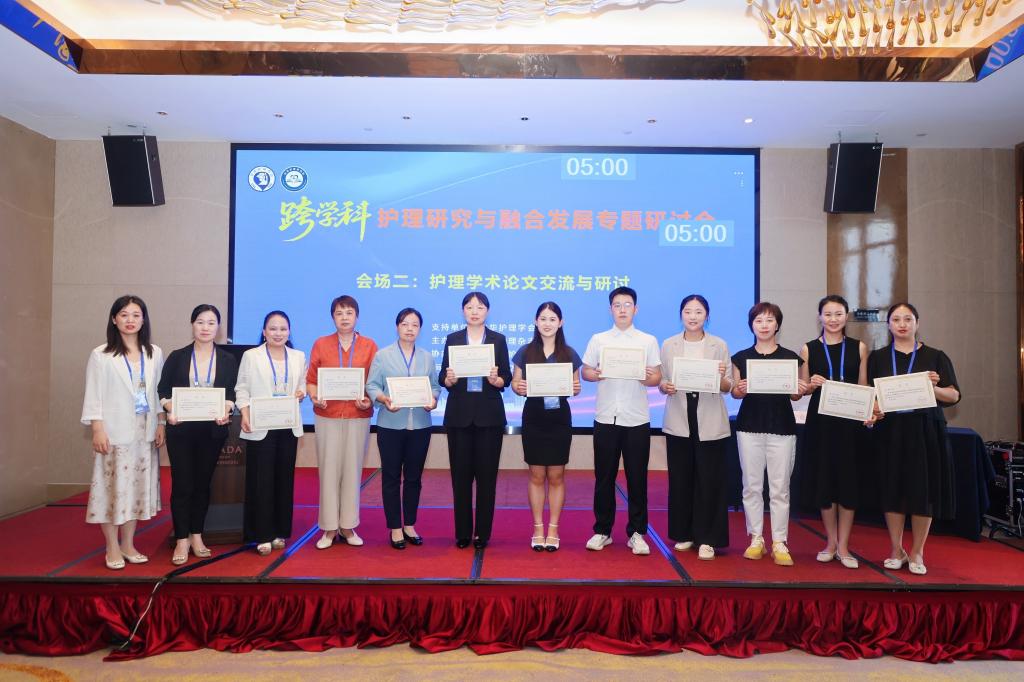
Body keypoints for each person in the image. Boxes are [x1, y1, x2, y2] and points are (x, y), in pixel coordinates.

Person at [867, 302, 960, 576]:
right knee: (892, 490)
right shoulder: (878, 357)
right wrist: (873, 409)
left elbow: (954, 395)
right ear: (888, 325)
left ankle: (918, 551)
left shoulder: (936, 356)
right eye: (896, 319)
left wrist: (933, 388)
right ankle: (896, 549)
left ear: (917, 323)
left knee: (923, 491)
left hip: (925, 431)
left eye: (908, 319)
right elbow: (870, 395)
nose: (902, 324)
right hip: (890, 431)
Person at [81, 295, 165, 570]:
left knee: (135, 490)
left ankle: (128, 544)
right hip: (114, 432)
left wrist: (161, 422)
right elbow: (93, 394)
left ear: (144, 320)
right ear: (114, 319)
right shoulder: (101, 354)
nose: (130, 320)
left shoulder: (154, 352)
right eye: (124, 315)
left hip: (144, 431)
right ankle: (112, 546)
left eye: (136, 315)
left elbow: (158, 392)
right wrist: (97, 428)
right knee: (113, 490)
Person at [581, 286, 662, 556]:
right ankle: (602, 531)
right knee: (604, 477)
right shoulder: (599, 339)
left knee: (637, 478)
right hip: (606, 416)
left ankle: (637, 533)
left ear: (635, 309)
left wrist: (647, 377)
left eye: (627, 305)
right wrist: (596, 374)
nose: (622, 309)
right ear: (610, 309)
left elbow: (656, 377)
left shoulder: (647, 340)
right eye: (617, 305)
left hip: (636, 418)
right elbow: (585, 371)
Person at [157, 304, 239, 565]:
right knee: (182, 485)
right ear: (192, 325)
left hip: (212, 431)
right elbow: (162, 391)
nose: (205, 327)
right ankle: (181, 539)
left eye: (211, 323)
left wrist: (227, 408)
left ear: (218, 327)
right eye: (200, 322)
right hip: (181, 430)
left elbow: (232, 392)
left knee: (203, 485)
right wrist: (170, 409)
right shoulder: (177, 356)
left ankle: (197, 535)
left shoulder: (227, 359)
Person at [730, 301, 807, 566]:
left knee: (780, 488)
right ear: (751, 325)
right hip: (749, 427)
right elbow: (735, 392)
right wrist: (739, 389)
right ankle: (756, 538)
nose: (764, 325)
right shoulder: (741, 357)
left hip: (782, 427)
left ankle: (779, 541)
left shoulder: (791, 358)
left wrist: (799, 389)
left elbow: (795, 395)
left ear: (777, 325)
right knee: (751, 486)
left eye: (769, 320)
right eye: (758, 320)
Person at [798, 295, 870, 570]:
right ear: (820, 317)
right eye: (827, 314)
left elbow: (864, 387)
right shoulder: (809, 348)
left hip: (850, 424)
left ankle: (844, 546)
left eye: (838, 314)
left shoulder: (859, 347)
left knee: (848, 484)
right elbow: (801, 390)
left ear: (846, 316)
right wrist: (811, 385)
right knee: (825, 482)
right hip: (822, 423)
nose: (833, 319)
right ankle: (830, 542)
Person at [658, 294, 733, 561]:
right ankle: (684, 533)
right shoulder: (669, 344)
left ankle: (708, 538)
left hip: (709, 416)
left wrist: (720, 378)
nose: (693, 316)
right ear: (681, 315)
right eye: (688, 311)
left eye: (698, 312)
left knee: (709, 480)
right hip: (679, 416)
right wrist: (665, 386)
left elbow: (729, 385)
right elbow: (662, 380)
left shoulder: (719, 345)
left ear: (706, 316)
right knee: (681, 479)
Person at [439, 292, 513, 549]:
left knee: (486, 479)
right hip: (459, 417)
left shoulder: (498, 340)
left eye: (479, 307)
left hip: (489, 417)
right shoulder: (453, 339)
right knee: (460, 479)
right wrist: (448, 380)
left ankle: (482, 533)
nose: (474, 311)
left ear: (487, 311)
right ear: (463, 311)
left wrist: (497, 380)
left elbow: (507, 376)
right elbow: (443, 376)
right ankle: (462, 532)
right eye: (469, 307)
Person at [306, 295, 378, 549]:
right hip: (327, 416)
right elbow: (311, 380)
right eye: (339, 313)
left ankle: (347, 526)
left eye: (349, 313)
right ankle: (328, 528)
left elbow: (374, 383)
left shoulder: (369, 346)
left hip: (358, 417)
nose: (344, 317)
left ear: (357, 316)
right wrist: (315, 396)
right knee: (328, 472)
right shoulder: (321, 344)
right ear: (332, 317)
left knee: (352, 471)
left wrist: (368, 400)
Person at [366, 308, 441, 550]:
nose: (410, 329)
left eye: (415, 325)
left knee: (414, 478)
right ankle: (395, 527)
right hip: (390, 424)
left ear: (420, 329)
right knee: (390, 477)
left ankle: (409, 524)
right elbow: (372, 385)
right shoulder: (383, 355)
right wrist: (383, 399)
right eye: (405, 324)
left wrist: (433, 400)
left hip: (420, 424)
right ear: (397, 326)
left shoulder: (427, 357)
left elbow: (435, 386)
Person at [510, 302, 583, 552]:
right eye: (543, 318)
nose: (547, 323)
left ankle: (553, 529)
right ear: (535, 321)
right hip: (534, 417)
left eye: (552, 319)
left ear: (560, 323)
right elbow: (515, 383)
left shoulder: (569, 353)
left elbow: (576, 385)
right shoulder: (525, 351)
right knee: (536, 475)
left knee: (557, 476)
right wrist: (518, 386)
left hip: (559, 418)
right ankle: (538, 528)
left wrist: (576, 388)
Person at [236, 310, 306, 555]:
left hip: (287, 425)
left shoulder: (298, 356)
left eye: (283, 329)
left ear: (289, 332)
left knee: (283, 481)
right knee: (261, 481)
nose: (278, 333)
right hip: (260, 425)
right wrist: (245, 414)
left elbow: (302, 384)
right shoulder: (251, 356)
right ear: (264, 331)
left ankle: (279, 532)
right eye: (273, 328)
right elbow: (241, 388)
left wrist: (301, 392)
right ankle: (261, 534)